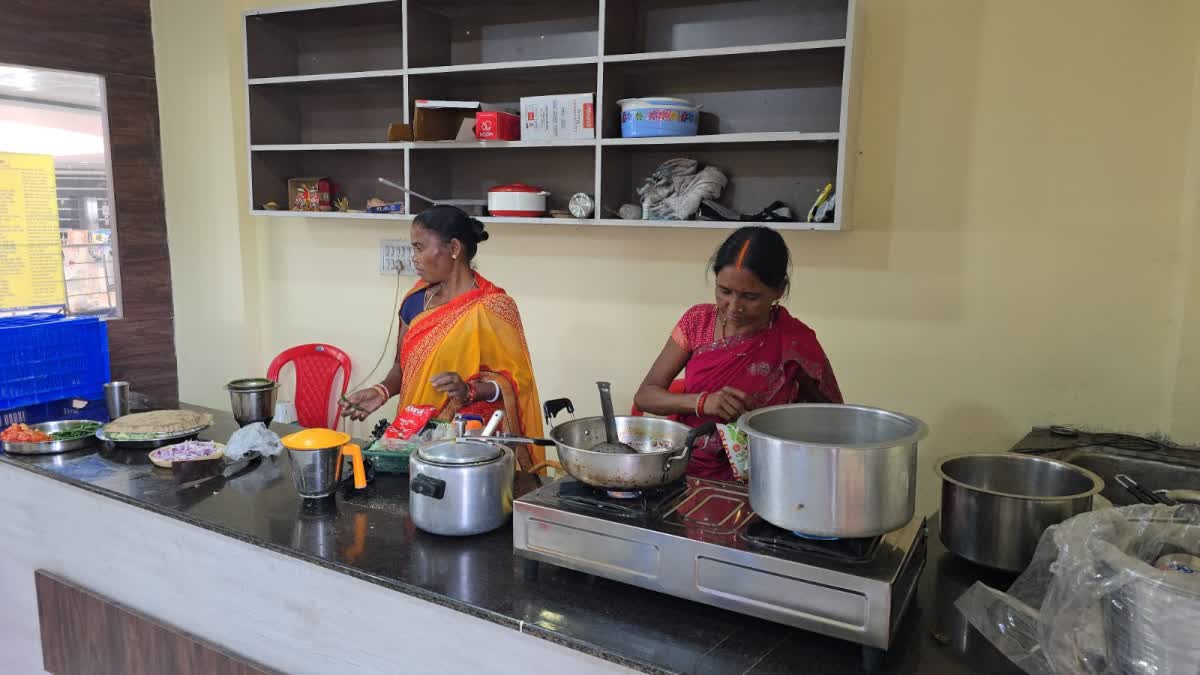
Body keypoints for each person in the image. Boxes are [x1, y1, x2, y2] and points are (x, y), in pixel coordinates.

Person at [633, 226, 842, 481]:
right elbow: (646, 395)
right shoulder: (698, 322)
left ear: (779, 290)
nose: (733, 307)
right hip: (689, 470)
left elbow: (833, 419)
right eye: (724, 291)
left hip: (767, 475)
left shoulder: (795, 341)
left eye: (750, 296)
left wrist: (774, 424)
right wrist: (702, 402)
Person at [342, 205, 544, 468]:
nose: (413, 257)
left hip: (470, 448)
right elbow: (401, 368)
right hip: (412, 435)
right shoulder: (415, 301)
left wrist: (469, 390)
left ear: (454, 249)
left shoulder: (493, 307)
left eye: (419, 247)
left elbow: (516, 386)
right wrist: (381, 391)